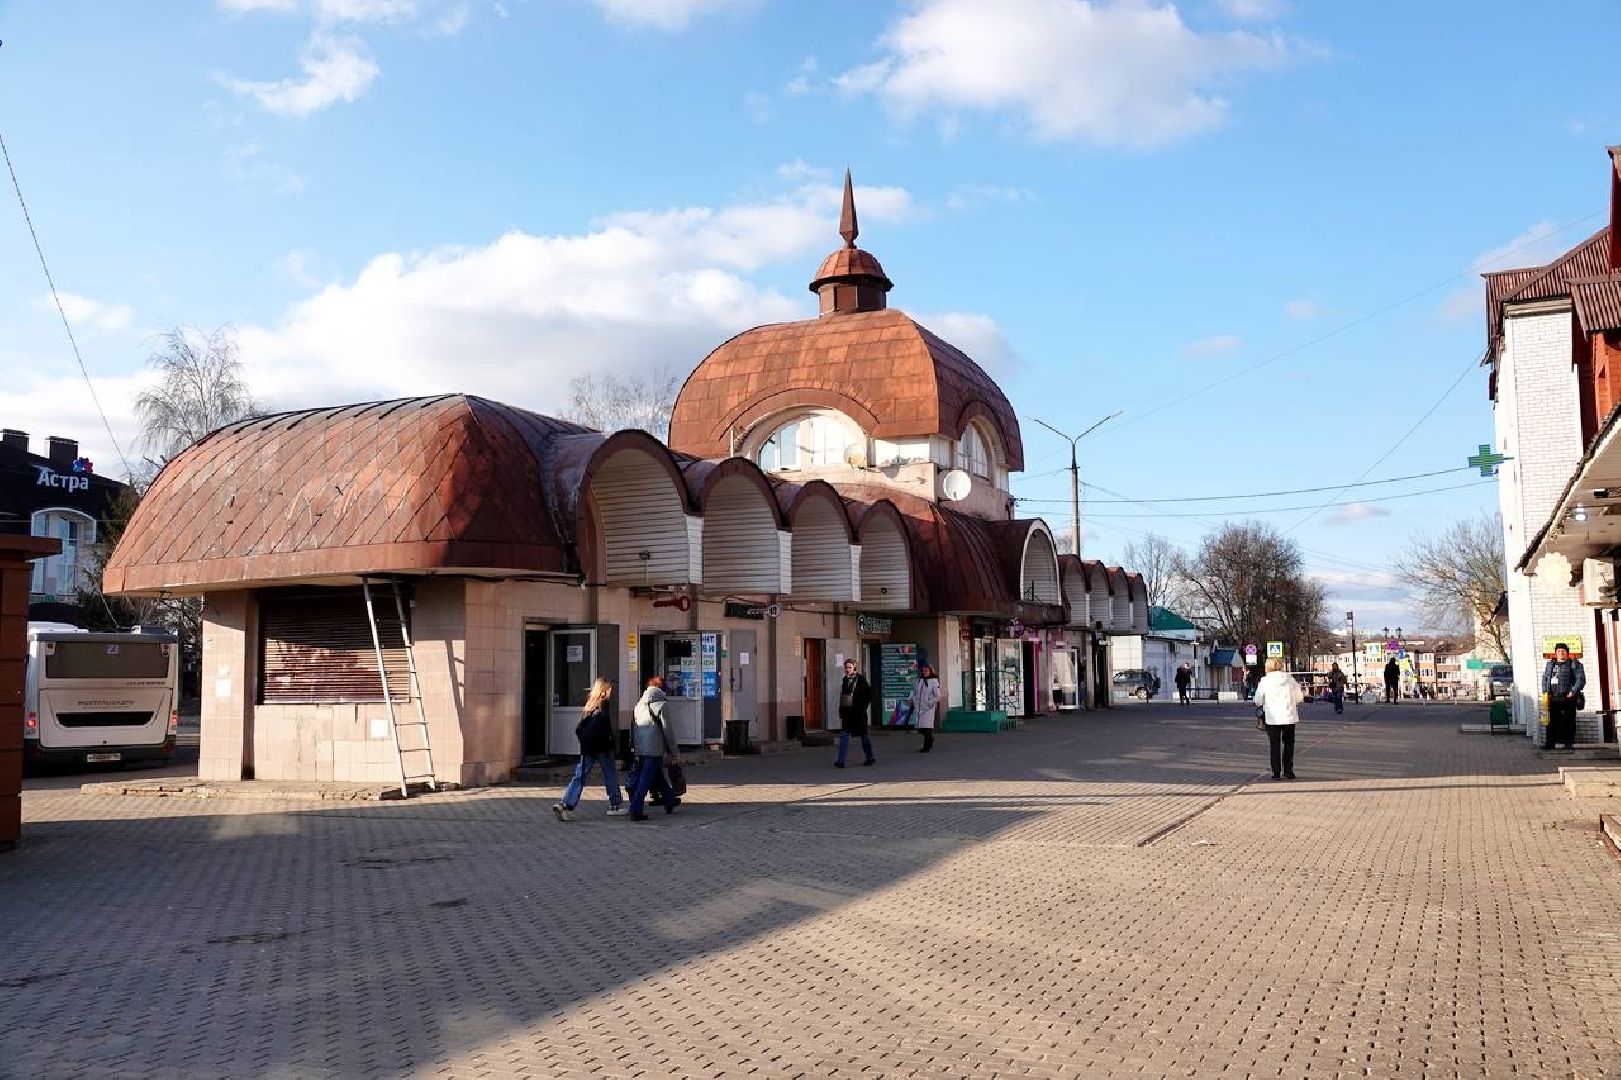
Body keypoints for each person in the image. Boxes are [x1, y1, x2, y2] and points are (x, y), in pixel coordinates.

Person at [552, 677, 624, 821]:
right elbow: (604, 727)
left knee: (580, 776)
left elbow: (579, 728)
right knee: (610, 774)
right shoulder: (604, 703)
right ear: (604, 690)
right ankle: (615, 805)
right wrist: (611, 741)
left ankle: (565, 803)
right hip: (603, 747)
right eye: (609, 688)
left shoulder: (589, 705)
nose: (611, 691)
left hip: (588, 748)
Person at [628, 676, 680, 820]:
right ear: (661, 688)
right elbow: (668, 730)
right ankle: (636, 809)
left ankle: (669, 799)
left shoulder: (639, 705)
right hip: (654, 749)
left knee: (657, 776)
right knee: (645, 778)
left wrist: (633, 746)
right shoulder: (662, 705)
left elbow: (633, 727)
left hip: (640, 748)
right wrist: (674, 751)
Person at [1254, 657, 1305, 780]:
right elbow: (1299, 697)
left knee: (1274, 744)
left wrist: (1265, 703)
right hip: (1289, 717)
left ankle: (1276, 772)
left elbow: (1258, 700)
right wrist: (1291, 703)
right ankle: (1288, 771)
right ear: (1281, 666)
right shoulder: (1290, 679)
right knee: (1289, 743)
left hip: (1272, 718)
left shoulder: (1265, 681)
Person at [1542, 643, 1587, 752]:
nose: (1561, 653)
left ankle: (1568, 744)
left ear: (1567, 653)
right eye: (1558, 651)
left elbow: (1581, 679)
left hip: (1568, 697)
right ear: (1555, 653)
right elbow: (1545, 678)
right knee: (1551, 722)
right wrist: (1545, 692)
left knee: (1569, 721)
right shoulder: (1550, 664)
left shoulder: (1574, 664)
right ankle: (1550, 744)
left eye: (1563, 651)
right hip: (1553, 697)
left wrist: (1573, 691)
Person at [834, 658, 875, 767]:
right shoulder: (845, 680)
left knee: (864, 736)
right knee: (844, 736)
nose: (847, 669)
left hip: (859, 713)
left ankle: (870, 757)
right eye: (846, 667)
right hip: (847, 713)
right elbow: (843, 696)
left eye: (850, 667)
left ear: (854, 668)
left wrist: (863, 706)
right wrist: (841, 710)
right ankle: (841, 761)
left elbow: (869, 694)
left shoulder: (860, 679)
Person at [911, 663, 943, 752]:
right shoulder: (919, 681)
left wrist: (929, 703)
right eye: (923, 670)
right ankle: (930, 739)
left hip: (928, 709)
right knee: (921, 728)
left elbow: (937, 696)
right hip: (919, 708)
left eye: (926, 670)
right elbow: (915, 693)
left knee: (927, 728)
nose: (924, 672)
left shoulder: (934, 681)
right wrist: (914, 701)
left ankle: (926, 747)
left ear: (930, 671)